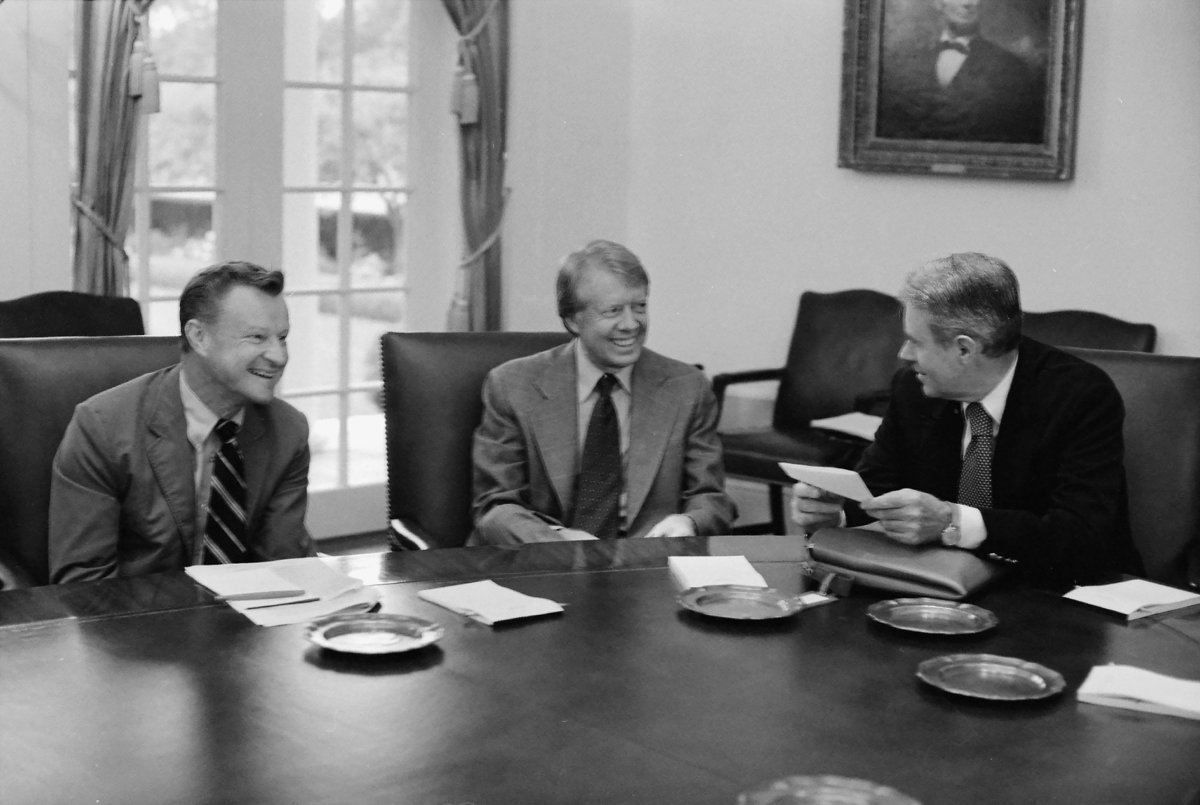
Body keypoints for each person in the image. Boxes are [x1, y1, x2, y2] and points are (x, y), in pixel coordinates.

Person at [791, 253, 1143, 588]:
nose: (904, 355)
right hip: (947, 582)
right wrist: (834, 514)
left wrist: (951, 522)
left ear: (964, 349)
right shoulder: (913, 388)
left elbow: (1079, 534)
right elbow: (881, 483)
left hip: (1064, 591)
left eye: (915, 342)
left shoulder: (1080, 396)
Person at [49, 261, 314, 583]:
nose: (279, 356)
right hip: (134, 624)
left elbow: (286, 569)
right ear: (198, 337)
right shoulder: (102, 427)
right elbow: (84, 585)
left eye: (282, 337)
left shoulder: (288, 431)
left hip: (249, 624)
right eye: (257, 338)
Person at [470, 239, 736, 545]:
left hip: (644, 570)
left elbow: (712, 498)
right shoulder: (512, 385)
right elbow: (495, 506)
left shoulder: (687, 388)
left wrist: (689, 521)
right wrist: (559, 541)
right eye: (613, 311)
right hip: (544, 563)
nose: (631, 324)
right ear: (573, 320)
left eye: (639, 307)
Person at [876, 0, 1045, 143]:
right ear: (938, 3)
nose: (967, 3)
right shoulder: (910, 61)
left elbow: (1017, 134)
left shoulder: (1010, 66)